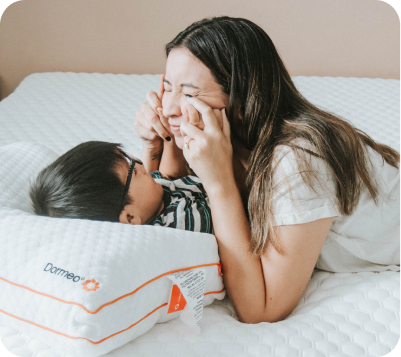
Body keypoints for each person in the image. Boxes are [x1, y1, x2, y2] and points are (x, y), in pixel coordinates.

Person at [133, 16, 401, 323]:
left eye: (190, 93)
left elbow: (262, 309)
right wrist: (156, 145)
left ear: (242, 99)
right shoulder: (221, 139)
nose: (168, 108)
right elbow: (171, 191)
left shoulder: (298, 159)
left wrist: (219, 183)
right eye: (167, 87)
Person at [29, 141, 213, 234]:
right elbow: (227, 203)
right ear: (130, 217)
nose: (140, 163)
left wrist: (166, 138)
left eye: (128, 158)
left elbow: (168, 177)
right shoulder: (181, 223)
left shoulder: (149, 200)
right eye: (133, 172)